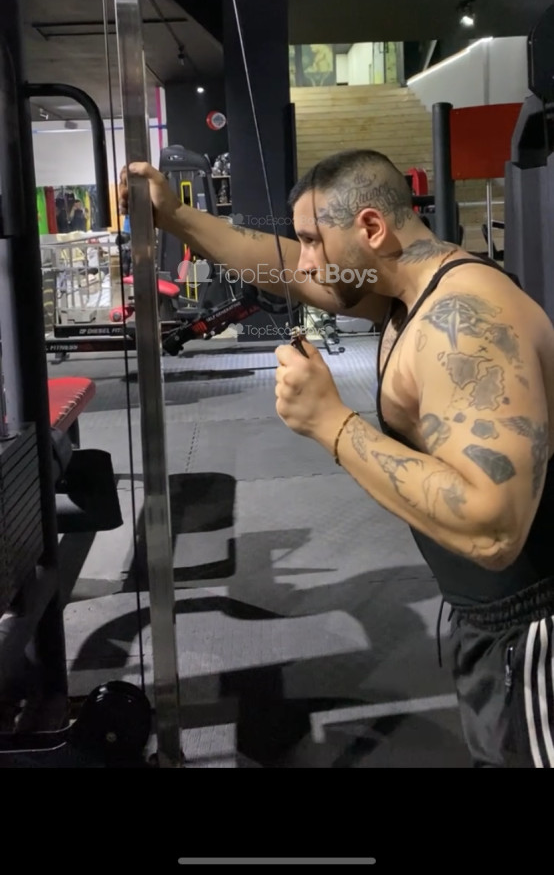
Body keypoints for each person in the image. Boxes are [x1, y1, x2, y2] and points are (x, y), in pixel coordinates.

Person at [129, 149, 554, 769]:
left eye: (312, 240)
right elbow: (280, 266)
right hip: (489, 620)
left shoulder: (466, 321)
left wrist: (331, 423)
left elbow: (494, 528)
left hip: (533, 629)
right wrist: (174, 215)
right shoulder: (406, 290)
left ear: (371, 228)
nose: (303, 260)